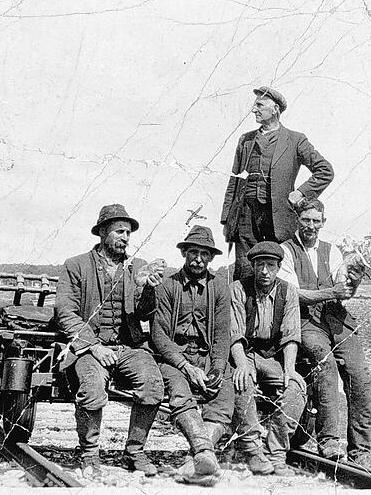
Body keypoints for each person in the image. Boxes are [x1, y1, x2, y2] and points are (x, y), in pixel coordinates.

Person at [55, 203, 165, 478]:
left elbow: (144, 314)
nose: (125, 238)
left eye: (128, 232)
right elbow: (65, 312)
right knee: (92, 389)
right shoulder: (76, 265)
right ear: (102, 232)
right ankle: (89, 454)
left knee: (153, 384)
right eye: (119, 231)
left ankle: (134, 452)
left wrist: (148, 290)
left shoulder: (136, 267)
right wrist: (93, 346)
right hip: (88, 349)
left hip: (128, 347)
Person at [278, 199, 371, 465]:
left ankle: (361, 451)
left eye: (316, 221)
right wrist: (332, 292)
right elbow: (293, 295)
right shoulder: (286, 251)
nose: (311, 226)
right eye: (306, 220)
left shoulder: (331, 251)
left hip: (335, 318)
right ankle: (329, 441)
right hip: (306, 320)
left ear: (323, 222)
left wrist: (352, 282)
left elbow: (342, 291)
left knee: (361, 377)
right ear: (298, 219)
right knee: (326, 367)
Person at [221, 86, 335, 281]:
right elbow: (235, 179)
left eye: (259, 105)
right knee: (245, 270)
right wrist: (227, 218)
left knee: (281, 270)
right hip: (245, 216)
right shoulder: (245, 140)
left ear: (275, 109)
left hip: (279, 217)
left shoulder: (295, 139)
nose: (254, 110)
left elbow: (325, 171)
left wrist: (301, 193)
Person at [150, 225, 233, 486]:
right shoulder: (167, 286)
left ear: (211, 258)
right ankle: (204, 451)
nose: (198, 259)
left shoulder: (220, 287)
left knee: (225, 394)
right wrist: (186, 366)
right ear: (184, 253)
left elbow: (222, 334)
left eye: (204, 254)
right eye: (193, 252)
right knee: (179, 392)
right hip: (175, 357)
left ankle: (195, 461)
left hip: (207, 356)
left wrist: (218, 368)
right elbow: (160, 336)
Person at [230, 241, 306, 475]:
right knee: (241, 384)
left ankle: (276, 452)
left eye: (270, 265)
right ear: (253, 266)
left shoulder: (288, 291)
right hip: (246, 351)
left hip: (274, 356)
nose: (265, 271)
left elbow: (291, 334)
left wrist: (289, 370)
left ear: (278, 267)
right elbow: (235, 333)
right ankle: (252, 448)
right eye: (260, 265)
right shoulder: (238, 289)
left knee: (296, 389)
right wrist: (242, 364)